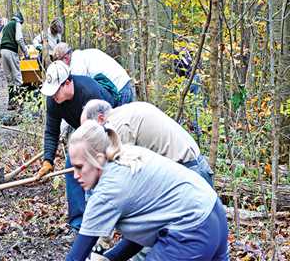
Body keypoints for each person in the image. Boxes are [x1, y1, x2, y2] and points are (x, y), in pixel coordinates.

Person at [65, 120, 229, 261]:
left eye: (80, 167)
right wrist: (110, 258)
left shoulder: (107, 191)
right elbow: (147, 229)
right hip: (213, 211)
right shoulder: (126, 156)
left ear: (98, 159)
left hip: (192, 228)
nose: (75, 175)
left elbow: (76, 257)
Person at [36, 61, 115, 231]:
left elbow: (102, 128)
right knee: (72, 164)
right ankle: (78, 222)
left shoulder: (89, 92)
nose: (53, 96)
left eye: (56, 90)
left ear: (67, 83)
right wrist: (47, 160)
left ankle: (105, 218)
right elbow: (51, 131)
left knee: (101, 169)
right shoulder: (53, 101)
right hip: (84, 130)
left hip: (108, 128)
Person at [81, 100, 214, 186]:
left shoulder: (118, 127)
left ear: (100, 118)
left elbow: (123, 175)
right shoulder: (129, 110)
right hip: (193, 166)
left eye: (89, 128)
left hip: (189, 173)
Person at [53, 43, 136, 106]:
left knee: (118, 126)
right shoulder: (84, 55)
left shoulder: (77, 63)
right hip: (123, 85)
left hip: (119, 90)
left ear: (66, 58)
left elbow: (78, 91)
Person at [0, 11, 30, 110]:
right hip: (11, 50)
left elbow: (2, 37)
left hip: (3, 51)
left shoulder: (7, 25)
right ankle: (20, 103)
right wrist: (26, 52)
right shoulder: (16, 24)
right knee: (17, 77)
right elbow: (19, 38)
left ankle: (11, 103)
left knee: (9, 79)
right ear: (20, 20)